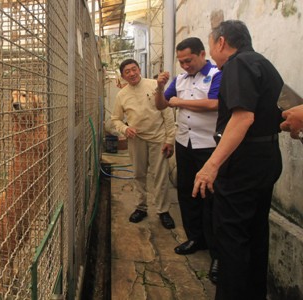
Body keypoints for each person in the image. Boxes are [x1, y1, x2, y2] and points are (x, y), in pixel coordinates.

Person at [193, 20, 283, 299]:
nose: (212, 54)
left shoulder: (237, 64)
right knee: (255, 234)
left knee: (231, 238)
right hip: (265, 159)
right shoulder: (264, 63)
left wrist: (211, 165)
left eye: (210, 46)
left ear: (221, 42)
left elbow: (242, 118)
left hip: (243, 163)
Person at [155, 37, 221, 283]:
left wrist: (180, 102)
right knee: (186, 192)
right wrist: (160, 88)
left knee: (211, 197)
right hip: (185, 143)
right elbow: (162, 105)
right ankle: (195, 237)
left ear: (202, 54)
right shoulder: (180, 79)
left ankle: (218, 253)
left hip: (209, 146)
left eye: (189, 60)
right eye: (181, 62)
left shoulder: (216, 74)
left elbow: (214, 103)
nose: (185, 66)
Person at [111, 59, 176, 229]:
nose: (132, 74)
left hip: (158, 139)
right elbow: (115, 119)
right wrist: (125, 129)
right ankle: (141, 207)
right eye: (127, 72)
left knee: (160, 176)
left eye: (134, 69)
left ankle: (163, 211)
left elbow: (167, 114)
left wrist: (170, 140)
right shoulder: (122, 95)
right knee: (138, 175)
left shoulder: (155, 85)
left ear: (139, 69)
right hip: (136, 140)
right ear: (123, 75)